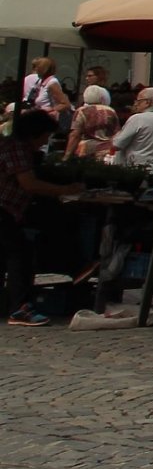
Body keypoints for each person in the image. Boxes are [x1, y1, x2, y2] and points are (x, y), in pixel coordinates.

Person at [2, 111, 78, 325]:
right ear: (35, 133)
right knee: (20, 256)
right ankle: (19, 308)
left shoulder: (14, 146)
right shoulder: (16, 148)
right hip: (4, 208)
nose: (47, 140)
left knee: (8, 255)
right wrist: (64, 189)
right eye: (46, 135)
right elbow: (29, 183)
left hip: (9, 209)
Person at [109, 89, 153, 171]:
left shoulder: (138, 118)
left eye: (139, 101)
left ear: (147, 102)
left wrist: (114, 136)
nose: (135, 104)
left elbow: (116, 144)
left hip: (137, 171)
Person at [64, 85, 119, 159]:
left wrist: (67, 156)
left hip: (86, 150)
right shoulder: (111, 111)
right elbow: (117, 133)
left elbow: (75, 135)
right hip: (106, 150)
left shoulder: (81, 111)